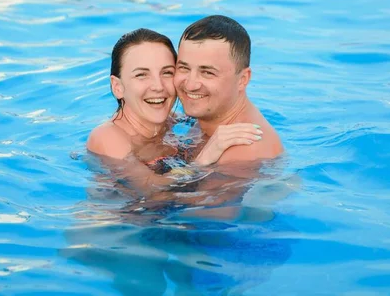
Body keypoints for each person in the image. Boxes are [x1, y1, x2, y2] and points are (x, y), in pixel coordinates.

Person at [86, 28, 262, 196]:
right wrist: (203, 159)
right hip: (118, 219)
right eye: (141, 75)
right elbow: (151, 189)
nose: (158, 86)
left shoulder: (170, 122)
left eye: (167, 73)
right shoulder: (107, 136)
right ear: (118, 87)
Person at [174, 15, 283, 172]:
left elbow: (176, 197)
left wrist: (198, 166)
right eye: (184, 68)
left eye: (207, 72)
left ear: (242, 79)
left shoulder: (242, 154)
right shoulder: (212, 114)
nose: (191, 85)